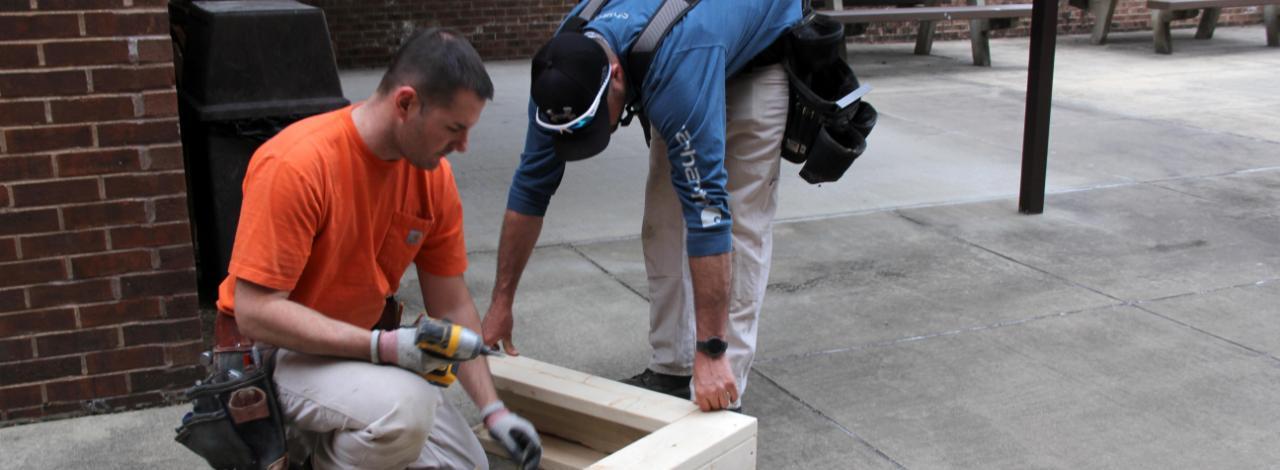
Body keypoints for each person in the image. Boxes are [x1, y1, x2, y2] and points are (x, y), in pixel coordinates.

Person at [215, 29, 541, 470]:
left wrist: (494, 411)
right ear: (405, 103)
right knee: (404, 410)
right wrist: (384, 348)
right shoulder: (297, 164)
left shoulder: (431, 177)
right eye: (454, 128)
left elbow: (451, 302)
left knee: (467, 465)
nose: (463, 146)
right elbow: (255, 312)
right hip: (271, 356)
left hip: (355, 348)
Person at [482, 0, 804, 413]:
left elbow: (709, 216)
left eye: (599, 125)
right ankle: (672, 368)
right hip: (678, 54)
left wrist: (711, 346)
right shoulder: (561, 71)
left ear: (615, 75)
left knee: (738, 226)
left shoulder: (679, 71)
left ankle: (722, 386)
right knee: (662, 221)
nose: (594, 138)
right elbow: (530, 190)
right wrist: (501, 303)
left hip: (756, 60)